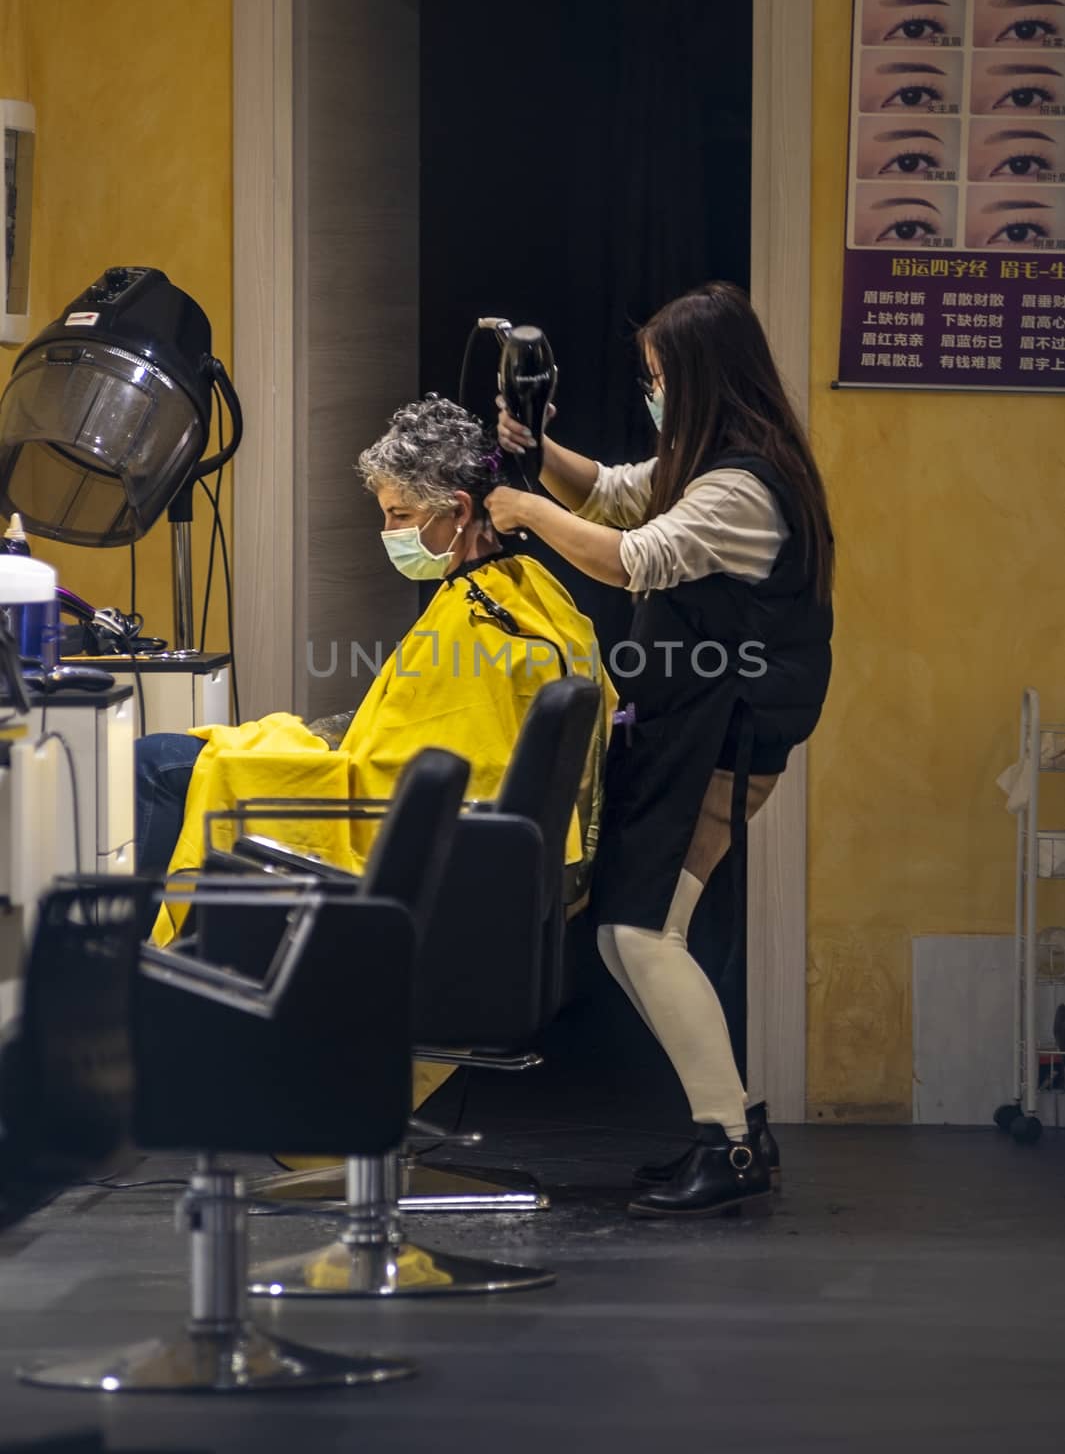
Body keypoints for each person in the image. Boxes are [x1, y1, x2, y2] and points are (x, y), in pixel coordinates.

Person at [486, 280, 833, 1219]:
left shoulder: (742, 489)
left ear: (704, 379)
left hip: (722, 738)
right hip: (694, 727)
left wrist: (518, 512)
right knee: (632, 932)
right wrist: (535, 450)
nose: (651, 394)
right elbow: (608, 494)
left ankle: (727, 1144)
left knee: (640, 934)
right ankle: (734, 1128)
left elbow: (624, 554)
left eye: (658, 378)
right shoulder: (707, 461)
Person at [138, 394, 615, 942]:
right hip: (436, 826)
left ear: (460, 511)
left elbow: (413, 781)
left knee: (159, 765)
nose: (389, 531)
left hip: (410, 847)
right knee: (206, 750)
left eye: (401, 515)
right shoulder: (529, 590)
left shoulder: (486, 620)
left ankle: (135, 979)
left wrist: (317, 751)